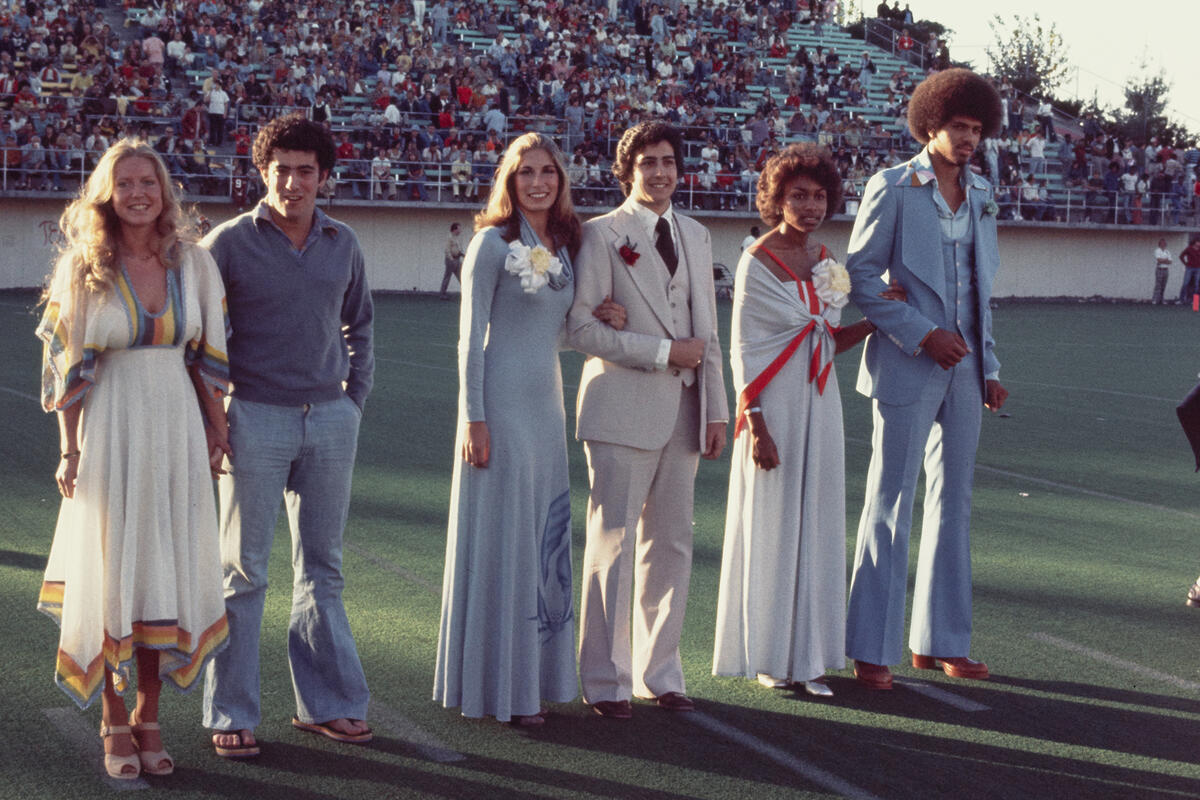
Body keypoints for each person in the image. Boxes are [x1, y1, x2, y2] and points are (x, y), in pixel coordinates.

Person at [36, 139, 232, 779]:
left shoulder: (194, 264)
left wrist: (218, 429)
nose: (138, 193)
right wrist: (68, 449)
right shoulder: (83, 268)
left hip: (176, 431)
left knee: (162, 567)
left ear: (164, 190)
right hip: (112, 431)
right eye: (124, 184)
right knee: (111, 566)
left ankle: (150, 715)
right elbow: (69, 372)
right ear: (107, 194)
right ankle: (113, 716)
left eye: (148, 182)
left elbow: (204, 361)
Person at [433, 132, 627, 726]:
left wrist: (601, 317)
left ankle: (532, 680)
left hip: (546, 410)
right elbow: (470, 340)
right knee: (508, 538)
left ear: (560, 180)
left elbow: (553, 332)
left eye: (548, 172)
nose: (538, 182)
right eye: (526, 173)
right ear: (509, 180)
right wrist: (474, 419)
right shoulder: (490, 244)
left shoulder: (563, 245)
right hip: (499, 408)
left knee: (542, 539)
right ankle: (500, 689)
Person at [201, 113, 375, 756]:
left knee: (323, 568)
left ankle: (327, 705)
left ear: (324, 176)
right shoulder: (226, 244)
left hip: (329, 419)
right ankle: (230, 711)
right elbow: (201, 339)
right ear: (262, 172)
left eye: (306, 171)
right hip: (253, 417)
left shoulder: (343, 242)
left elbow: (361, 325)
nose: (293, 182)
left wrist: (353, 401)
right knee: (243, 573)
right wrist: (218, 417)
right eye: (282, 170)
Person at [713, 144, 903, 697]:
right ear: (777, 199)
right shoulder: (755, 260)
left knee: (817, 523)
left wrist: (876, 319)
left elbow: (826, 340)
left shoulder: (826, 259)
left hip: (820, 403)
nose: (811, 206)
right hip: (772, 407)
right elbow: (743, 350)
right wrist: (757, 425)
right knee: (773, 525)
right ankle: (770, 656)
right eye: (798, 195)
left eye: (819, 196)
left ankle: (810, 658)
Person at [844, 69, 1009, 690]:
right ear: (929, 126)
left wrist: (989, 367)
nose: (967, 138)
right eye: (957, 126)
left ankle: (943, 641)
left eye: (976, 129)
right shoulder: (891, 187)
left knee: (954, 504)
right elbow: (862, 279)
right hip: (907, 363)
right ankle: (871, 647)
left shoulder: (983, 192)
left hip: (966, 370)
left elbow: (981, 290)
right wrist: (922, 334)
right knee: (890, 500)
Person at [567, 120, 729, 719]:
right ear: (626, 172)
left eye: (668, 161)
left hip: (686, 412)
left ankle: (660, 675)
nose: (659, 173)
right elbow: (581, 329)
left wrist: (717, 409)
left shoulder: (697, 234)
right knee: (613, 544)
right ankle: (606, 681)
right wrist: (663, 352)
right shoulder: (599, 234)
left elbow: (709, 334)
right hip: (619, 410)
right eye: (647, 163)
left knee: (673, 544)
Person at [440, 221, 465, 298]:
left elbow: (459, 249)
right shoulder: (449, 238)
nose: (460, 231)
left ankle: (466, 292)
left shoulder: (457, 238)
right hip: (451, 260)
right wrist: (451, 259)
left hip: (457, 259)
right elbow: (447, 250)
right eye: (459, 229)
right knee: (447, 277)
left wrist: (463, 255)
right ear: (455, 229)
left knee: (462, 276)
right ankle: (442, 294)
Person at [1178, 237, 1200, 305]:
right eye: (1198, 242)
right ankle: (1181, 300)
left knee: (1196, 285)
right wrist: (1185, 263)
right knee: (1185, 283)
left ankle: (1195, 302)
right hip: (1189, 268)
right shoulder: (1189, 249)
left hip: (1198, 269)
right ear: (1195, 242)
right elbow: (1181, 256)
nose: (1199, 243)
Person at [1153, 238, 1172, 305]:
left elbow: (1170, 262)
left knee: (1163, 285)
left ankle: (1161, 299)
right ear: (1159, 244)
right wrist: (1165, 260)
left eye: (1164, 243)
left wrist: (1163, 260)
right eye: (1162, 243)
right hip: (1159, 269)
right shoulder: (1157, 250)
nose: (1163, 244)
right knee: (1158, 285)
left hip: (1166, 269)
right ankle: (1155, 299)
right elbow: (1159, 260)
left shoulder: (1167, 252)